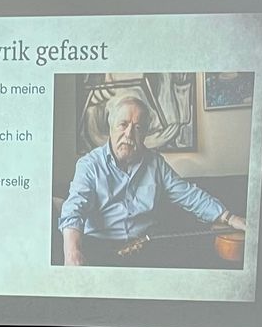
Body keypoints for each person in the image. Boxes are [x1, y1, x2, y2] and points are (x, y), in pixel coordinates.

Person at [59, 94, 246, 266]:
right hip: (100, 246)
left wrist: (229, 217)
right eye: (123, 124)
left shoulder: (155, 163)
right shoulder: (89, 165)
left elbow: (189, 195)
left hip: (145, 248)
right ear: (111, 127)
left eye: (138, 128)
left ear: (145, 135)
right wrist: (72, 251)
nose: (129, 134)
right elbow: (74, 208)